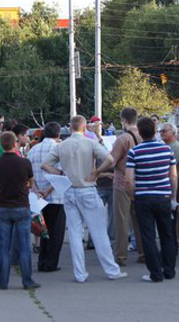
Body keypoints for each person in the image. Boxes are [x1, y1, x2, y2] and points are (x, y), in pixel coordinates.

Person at [42, 115, 127, 283]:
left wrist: (60, 173)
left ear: (71, 128)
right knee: (98, 232)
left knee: (74, 233)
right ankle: (111, 270)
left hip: (69, 191)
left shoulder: (61, 146)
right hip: (87, 189)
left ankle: (80, 273)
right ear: (84, 128)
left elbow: (45, 165)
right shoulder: (90, 143)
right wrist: (96, 172)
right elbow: (110, 159)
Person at [126, 117, 177, 282]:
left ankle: (155, 272)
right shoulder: (167, 150)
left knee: (148, 236)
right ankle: (169, 270)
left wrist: (132, 195)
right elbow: (173, 176)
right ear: (155, 131)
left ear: (139, 132)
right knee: (167, 234)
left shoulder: (135, 152)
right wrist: (173, 196)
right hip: (163, 196)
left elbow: (128, 179)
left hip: (143, 197)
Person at [0, 132, 40, 290]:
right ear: (14, 144)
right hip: (21, 205)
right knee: (25, 245)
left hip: (3, 205)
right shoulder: (25, 163)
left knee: (4, 246)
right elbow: (30, 183)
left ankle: (2, 280)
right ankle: (27, 280)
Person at [28, 122, 66, 272]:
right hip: (55, 196)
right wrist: (48, 191)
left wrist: (37, 190)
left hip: (38, 196)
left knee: (43, 230)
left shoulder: (33, 150)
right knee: (56, 231)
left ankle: (41, 261)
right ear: (58, 134)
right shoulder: (59, 149)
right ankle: (51, 263)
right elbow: (62, 173)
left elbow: (29, 173)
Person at [110, 107, 145, 266]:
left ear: (124, 120)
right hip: (142, 182)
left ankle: (121, 256)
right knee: (140, 220)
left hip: (122, 183)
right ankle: (143, 252)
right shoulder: (144, 135)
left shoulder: (123, 139)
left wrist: (96, 172)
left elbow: (112, 160)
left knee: (122, 221)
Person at [160, 122, 179, 252]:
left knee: (170, 218)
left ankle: (171, 248)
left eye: (165, 131)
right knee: (167, 219)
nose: (162, 133)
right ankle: (170, 247)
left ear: (172, 132)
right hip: (168, 183)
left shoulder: (175, 147)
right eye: (161, 131)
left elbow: (169, 168)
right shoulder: (168, 146)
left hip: (173, 183)